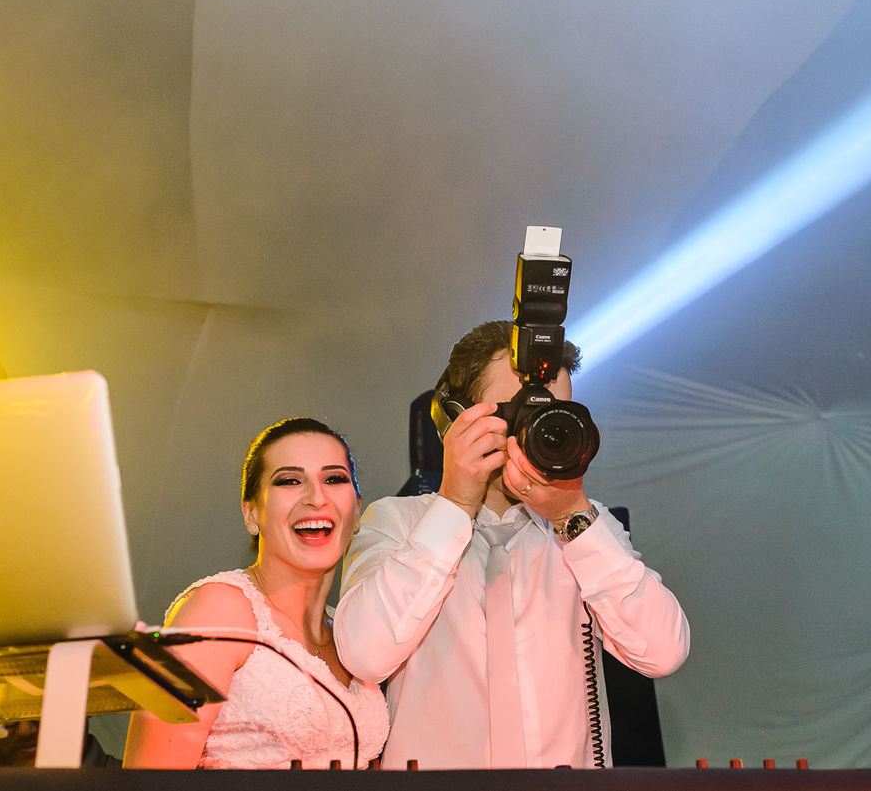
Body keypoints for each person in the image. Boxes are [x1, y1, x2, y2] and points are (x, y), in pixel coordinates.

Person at [334, 320, 690, 769]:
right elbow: (364, 655)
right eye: (520, 412)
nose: (538, 429)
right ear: (456, 418)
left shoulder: (585, 527)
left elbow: (663, 652)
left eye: (554, 415)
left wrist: (571, 517)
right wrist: (454, 504)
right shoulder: (396, 521)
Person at [123, 418, 389, 769]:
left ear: (356, 509)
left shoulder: (352, 628)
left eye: (334, 479)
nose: (316, 498)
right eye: (290, 481)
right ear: (251, 513)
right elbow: (150, 777)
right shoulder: (219, 609)